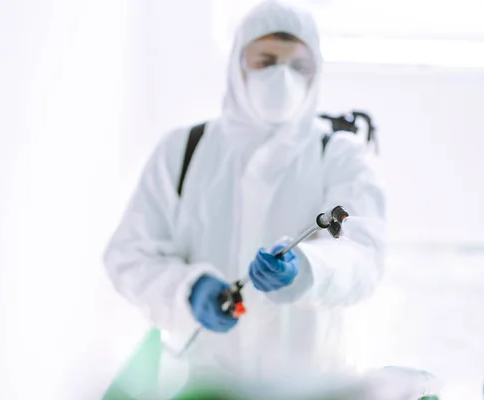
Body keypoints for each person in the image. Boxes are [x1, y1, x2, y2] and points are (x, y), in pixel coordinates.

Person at [104, 0, 386, 393]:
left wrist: (307, 269)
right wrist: (189, 289)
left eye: (298, 66)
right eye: (267, 60)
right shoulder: (183, 150)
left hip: (308, 385)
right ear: (237, 64)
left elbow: (363, 257)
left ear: (316, 72)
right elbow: (128, 256)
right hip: (201, 383)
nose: (282, 77)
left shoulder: (340, 155)